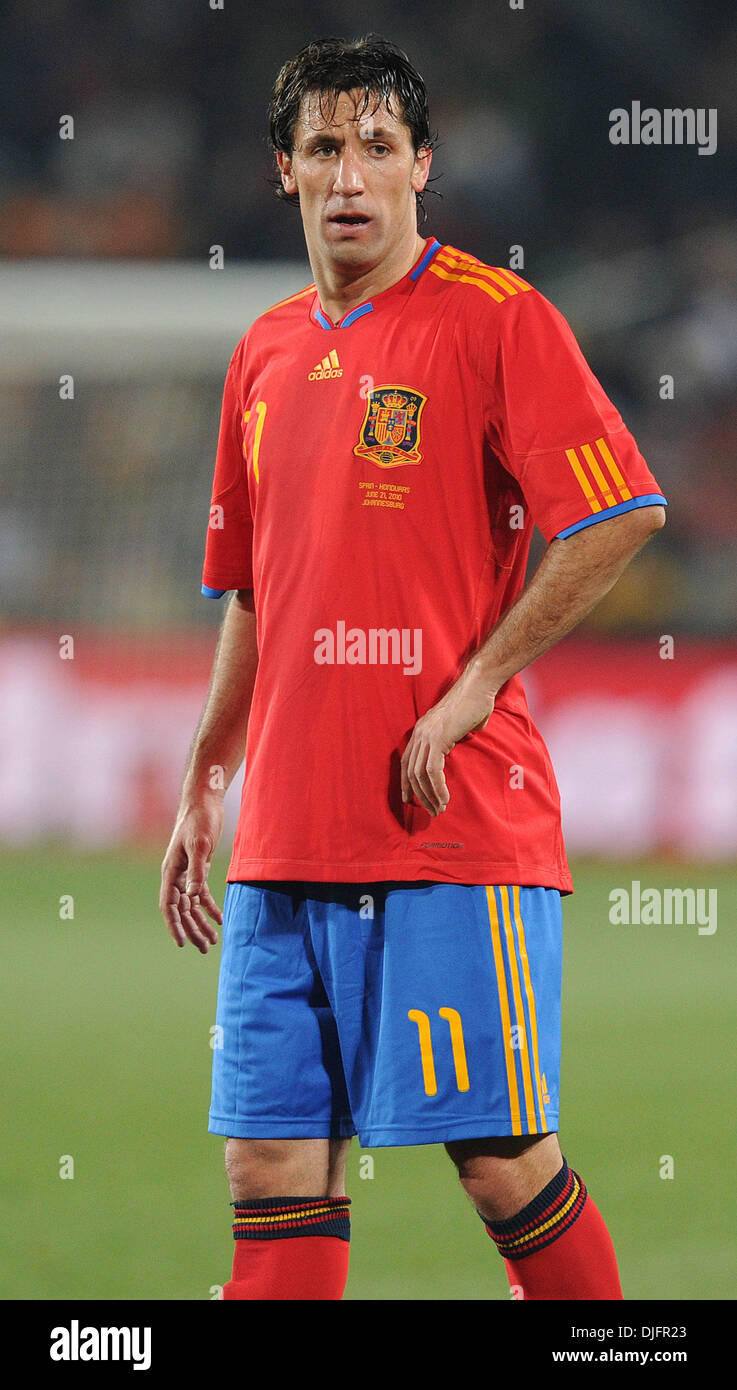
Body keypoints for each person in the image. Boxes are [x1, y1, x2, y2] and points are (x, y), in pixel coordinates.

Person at [159, 34, 666, 1302]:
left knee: (496, 1160)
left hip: (447, 825)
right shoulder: (263, 352)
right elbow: (252, 591)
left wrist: (478, 677)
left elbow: (617, 513)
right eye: (323, 148)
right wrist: (206, 770)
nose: (349, 175)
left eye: (376, 147)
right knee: (270, 1166)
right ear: (283, 170)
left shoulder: (499, 319)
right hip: (285, 830)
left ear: (419, 166)